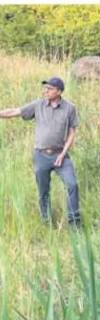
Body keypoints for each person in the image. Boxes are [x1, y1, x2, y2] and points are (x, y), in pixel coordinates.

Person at [0, 77, 81, 227]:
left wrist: (63, 154)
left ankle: (74, 223)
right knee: (43, 191)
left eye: (49, 89)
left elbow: (72, 133)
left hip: (60, 156)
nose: (45, 91)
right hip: (41, 155)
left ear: (59, 91)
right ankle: (47, 222)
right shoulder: (38, 105)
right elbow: (16, 111)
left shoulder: (70, 108)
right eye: (45, 88)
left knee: (72, 185)